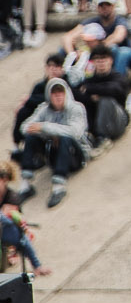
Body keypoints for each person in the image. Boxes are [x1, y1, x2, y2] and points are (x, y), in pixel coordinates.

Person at [17, 77, 86, 208]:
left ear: (66, 93)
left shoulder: (76, 108)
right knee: (31, 137)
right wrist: (45, 133)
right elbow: (25, 127)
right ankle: (25, 185)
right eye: (54, 93)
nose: (58, 96)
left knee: (65, 138)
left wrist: (46, 128)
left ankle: (59, 187)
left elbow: (75, 132)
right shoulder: (44, 109)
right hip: (53, 154)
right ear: (49, 95)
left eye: (61, 92)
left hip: (75, 156)